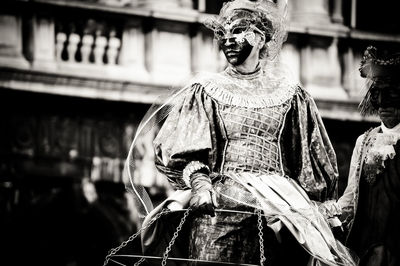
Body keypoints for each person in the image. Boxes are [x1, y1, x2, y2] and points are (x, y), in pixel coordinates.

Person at [114, 0, 358, 265]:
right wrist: (201, 185)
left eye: (238, 32)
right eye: (224, 34)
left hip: (277, 212)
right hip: (219, 209)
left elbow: (308, 163)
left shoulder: (291, 96)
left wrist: (312, 210)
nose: (228, 40)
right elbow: (186, 150)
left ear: (260, 38)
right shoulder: (206, 90)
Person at [329, 46, 400, 265]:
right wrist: (327, 215)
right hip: (365, 249)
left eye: (392, 95)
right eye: (378, 95)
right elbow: (351, 196)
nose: (384, 103)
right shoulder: (364, 142)